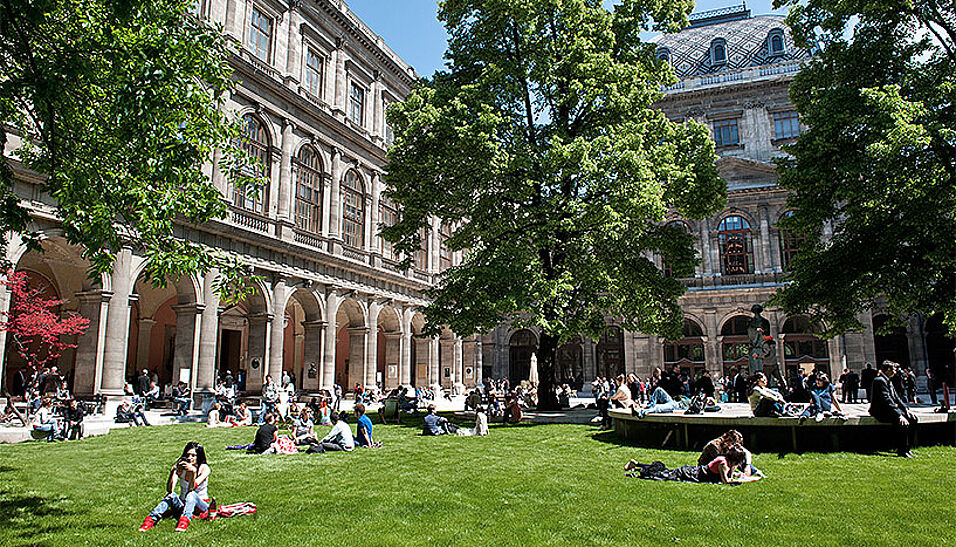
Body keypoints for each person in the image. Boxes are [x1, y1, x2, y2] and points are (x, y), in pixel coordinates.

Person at [139, 442, 213, 532]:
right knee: (171, 496)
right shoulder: (182, 467)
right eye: (188, 455)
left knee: (191, 494)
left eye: (193, 455)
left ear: (199, 456)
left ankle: (184, 521)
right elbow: (169, 490)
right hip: (183, 504)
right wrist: (173, 472)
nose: (190, 458)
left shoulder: (204, 468)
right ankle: (151, 519)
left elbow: (191, 488)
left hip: (200, 505)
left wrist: (193, 473)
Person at [625, 444, 752, 484]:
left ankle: (637, 464)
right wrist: (748, 480)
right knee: (662, 475)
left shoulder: (723, 459)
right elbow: (726, 481)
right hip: (690, 473)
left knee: (664, 472)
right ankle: (637, 467)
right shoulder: (723, 463)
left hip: (692, 471)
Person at [869, 361, 918, 458]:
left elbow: (896, 398)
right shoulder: (879, 381)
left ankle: (908, 447)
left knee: (913, 419)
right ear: (888, 370)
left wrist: (906, 409)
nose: (895, 372)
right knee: (902, 423)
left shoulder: (888, 380)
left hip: (889, 409)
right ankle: (902, 450)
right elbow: (886, 400)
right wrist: (899, 415)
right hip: (881, 411)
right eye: (894, 370)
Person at [697, 430, 763, 478]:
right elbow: (722, 463)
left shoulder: (731, 445)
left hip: (722, 465)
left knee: (740, 456)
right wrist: (733, 472)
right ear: (729, 440)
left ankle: (753, 471)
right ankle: (746, 473)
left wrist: (747, 465)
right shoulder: (714, 446)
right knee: (735, 457)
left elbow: (747, 453)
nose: (736, 447)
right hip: (707, 468)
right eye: (735, 444)